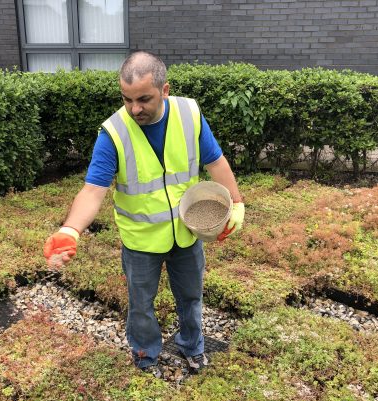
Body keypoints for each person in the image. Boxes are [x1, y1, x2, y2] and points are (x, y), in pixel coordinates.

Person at [43, 51, 244, 377]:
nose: (135, 108)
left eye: (144, 99)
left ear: (165, 90)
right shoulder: (113, 133)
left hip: (186, 232)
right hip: (140, 242)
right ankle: (145, 355)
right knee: (140, 307)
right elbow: (93, 190)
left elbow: (216, 162)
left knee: (191, 297)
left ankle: (192, 347)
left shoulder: (189, 114)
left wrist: (236, 203)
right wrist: (70, 230)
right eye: (127, 99)